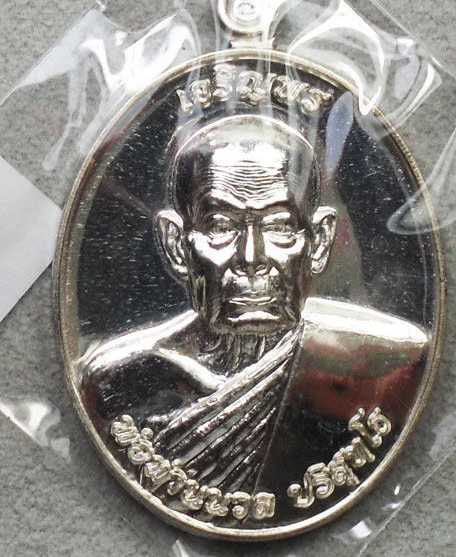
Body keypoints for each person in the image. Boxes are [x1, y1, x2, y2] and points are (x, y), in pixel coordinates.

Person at [81, 114, 428, 503]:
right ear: (177, 245)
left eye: (279, 227)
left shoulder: (390, 365)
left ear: (320, 241)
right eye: (220, 228)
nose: (251, 258)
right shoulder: (120, 382)